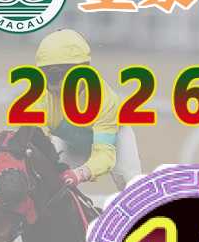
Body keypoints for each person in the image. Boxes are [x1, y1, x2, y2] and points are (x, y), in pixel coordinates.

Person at [34, 29, 142, 190]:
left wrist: (80, 174)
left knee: (133, 185)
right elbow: (36, 144)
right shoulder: (39, 99)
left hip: (115, 141)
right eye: (46, 76)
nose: (52, 85)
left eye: (56, 75)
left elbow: (104, 155)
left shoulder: (105, 99)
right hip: (69, 144)